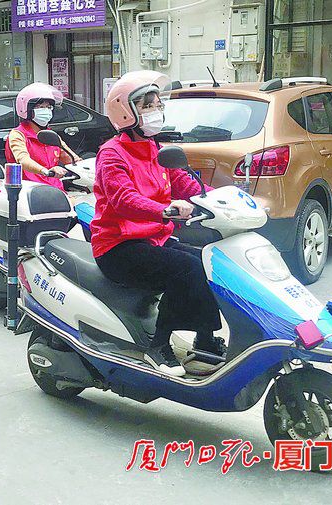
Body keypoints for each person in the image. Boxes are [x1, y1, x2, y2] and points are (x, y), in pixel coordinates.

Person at [90, 70, 226, 377]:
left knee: (209, 263)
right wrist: (165, 211)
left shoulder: (155, 149)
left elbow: (184, 183)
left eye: (157, 104)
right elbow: (123, 199)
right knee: (186, 269)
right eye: (147, 105)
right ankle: (158, 346)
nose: (156, 111)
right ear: (126, 112)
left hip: (154, 239)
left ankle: (205, 341)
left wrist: (223, 199)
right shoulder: (111, 154)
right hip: (118, 247)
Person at [5, 82, 82, 191]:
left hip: (55, 190)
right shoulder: (18, 134)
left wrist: (85, 167)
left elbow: (71, 158)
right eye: (40, 107)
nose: (46, 110)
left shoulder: (51, 135)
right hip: (30, 191)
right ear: (27, 110)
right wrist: (46, 171)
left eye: (48, 107)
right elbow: (23, 160)